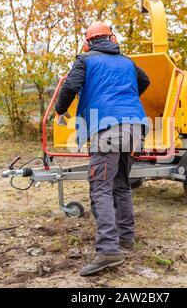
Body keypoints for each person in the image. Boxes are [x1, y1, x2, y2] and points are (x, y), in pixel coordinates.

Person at [55, 21, 150, 276]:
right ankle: (126, 239)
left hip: (107, 128)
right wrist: (126, 98)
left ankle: (108, 250)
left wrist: (60, 110)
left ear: (88, 42)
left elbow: (69, 87)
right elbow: (145, 81)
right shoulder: (128, 62)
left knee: (101, 188)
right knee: (121, 184)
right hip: (136, 127)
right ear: (112, 39)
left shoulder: (85, 60)